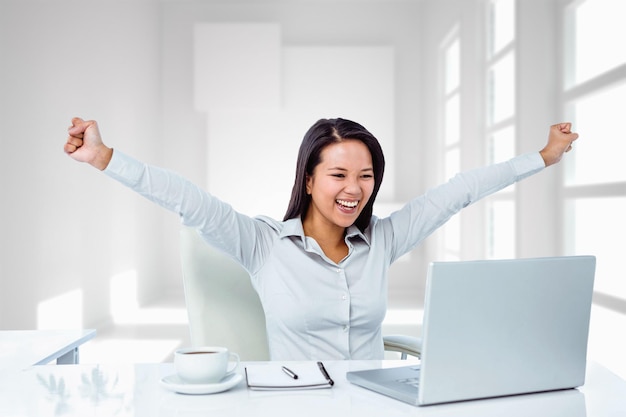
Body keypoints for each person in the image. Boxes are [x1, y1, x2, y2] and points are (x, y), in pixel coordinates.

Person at [64, 117, 578, 360]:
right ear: (308, 179)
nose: (355, 189)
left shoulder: (383, 241)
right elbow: (186, 199)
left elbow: (457, 193)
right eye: (338, 175)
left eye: (367, 175)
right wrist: (105, 157)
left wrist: (542, 157)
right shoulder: (262, 245)